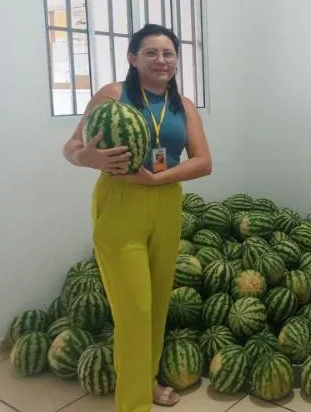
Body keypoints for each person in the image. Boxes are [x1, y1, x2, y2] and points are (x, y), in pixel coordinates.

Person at [62, 24, 212, 410]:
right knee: (134, 311)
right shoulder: (114, 96)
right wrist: (87, 158)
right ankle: (133, 406)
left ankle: (146, 381)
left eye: (169, 54)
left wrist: (156, 177)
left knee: (158, 303)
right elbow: (71, 147)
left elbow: (203, 162)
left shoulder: (185, 106)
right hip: (120, 202)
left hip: (166, 202)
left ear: (177, 60)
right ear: (133, 58)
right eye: (151, 53)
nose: (162, 60)